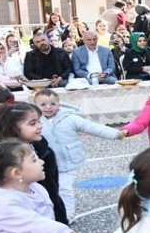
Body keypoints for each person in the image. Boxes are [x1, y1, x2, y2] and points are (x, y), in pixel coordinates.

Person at [35, 89, 125, 220]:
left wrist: (116, 134)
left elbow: (92, 127)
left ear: (59, 104)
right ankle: (48, 214)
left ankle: (67, 215)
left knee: (64, 189)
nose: (48, 107)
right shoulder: (35, 121)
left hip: (69, 161)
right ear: (36, 106)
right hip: (46, 163)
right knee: (47, 190)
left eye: (53, 104)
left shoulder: (70, 118)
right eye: (43, 104)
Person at [0, 102, 69, 223]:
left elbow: (53, 190)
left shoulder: (45, 152)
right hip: (18, 222)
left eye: (39, 121)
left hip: (48, 216)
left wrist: (60, 220)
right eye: (32, 123)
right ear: (12, 128)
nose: (39, 126)